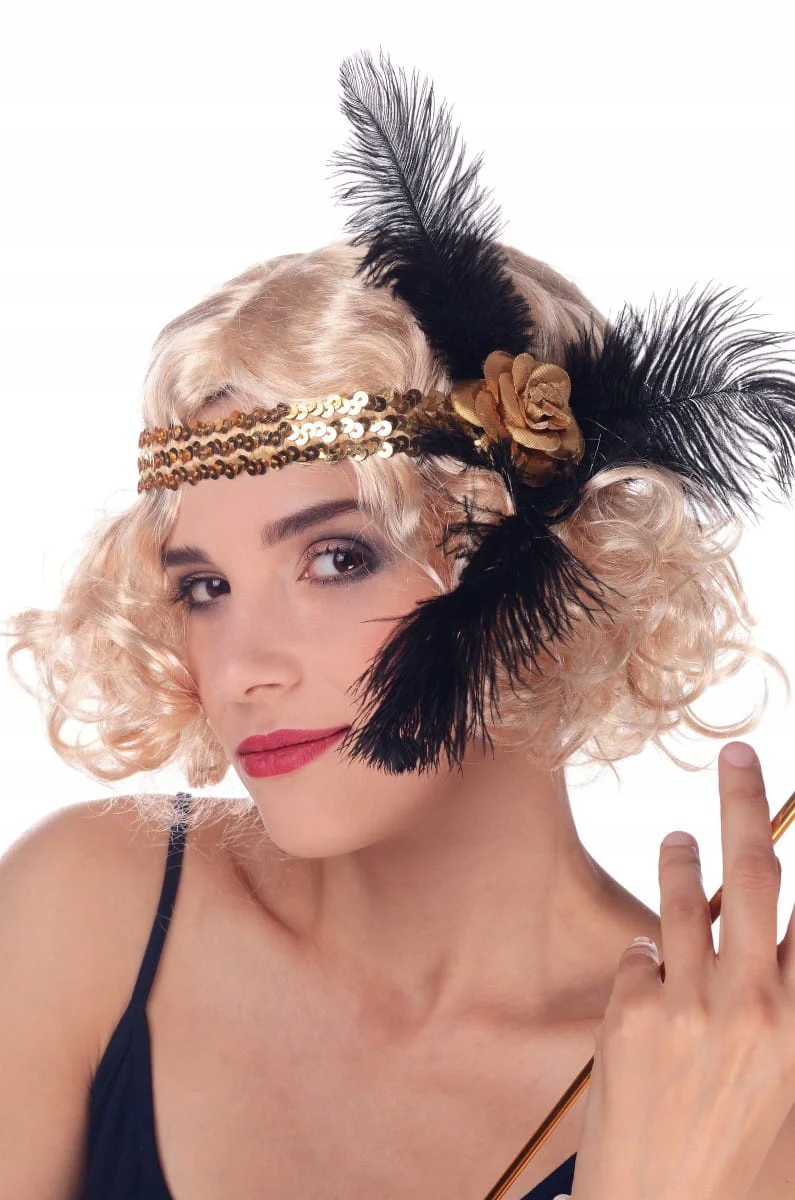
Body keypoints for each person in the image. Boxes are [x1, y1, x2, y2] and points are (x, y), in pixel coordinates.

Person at [2, 50, 795, 1200]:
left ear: (539, 574)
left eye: (336, 558)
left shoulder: (726, 1098)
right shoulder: (91, 914)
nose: (241, 669)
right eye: (204, 587)